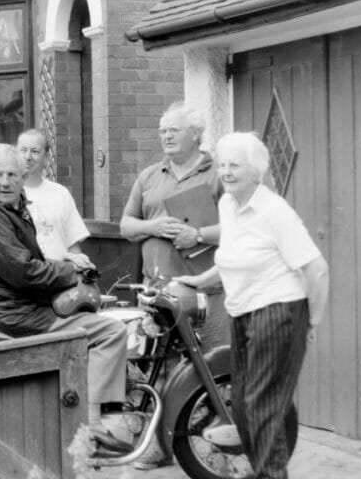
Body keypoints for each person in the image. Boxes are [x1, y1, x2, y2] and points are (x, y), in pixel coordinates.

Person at [174, 132, 329, 479]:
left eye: (236, 166)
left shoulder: (274, 212)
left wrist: (312, 322)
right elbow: (232, 257)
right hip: (243, 314)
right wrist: (200, 281)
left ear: (256, 172)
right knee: (244, 409)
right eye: (223, 164)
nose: (226, 172)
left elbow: (317, 270)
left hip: (279, 312)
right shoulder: (228, 205)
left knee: (263, 409)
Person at [0, 143, 129, 449]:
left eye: (12, 174)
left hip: (21, 308)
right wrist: (70, 271)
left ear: (22, 176)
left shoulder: (12, 207)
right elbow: (23, 272)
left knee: (89, 315)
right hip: (16, 316)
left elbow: (29, 263)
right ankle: (96, 421)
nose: (5, 181)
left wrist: (67, 264)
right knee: (111, 332)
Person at [120, 101, 229, 468]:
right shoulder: (150, 175)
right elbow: (125, 226)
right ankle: (158, 447)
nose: (165, 136)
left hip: (209, 293)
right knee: (163, 371)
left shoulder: (218, 174)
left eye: (173, 130)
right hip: (160, 295)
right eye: (162, 130)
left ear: (196, 134)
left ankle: (219, 447)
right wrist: (154, 227)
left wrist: (198, 234)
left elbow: (242, 227)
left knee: (216, 367)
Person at [16, 129, 93, 269]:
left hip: (59, 278)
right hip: (24, 277)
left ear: (46, 155)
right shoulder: (10, 194)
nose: (28, 156)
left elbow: (73, 244)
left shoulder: (60, 194)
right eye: (23, 150)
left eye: (34, 151)